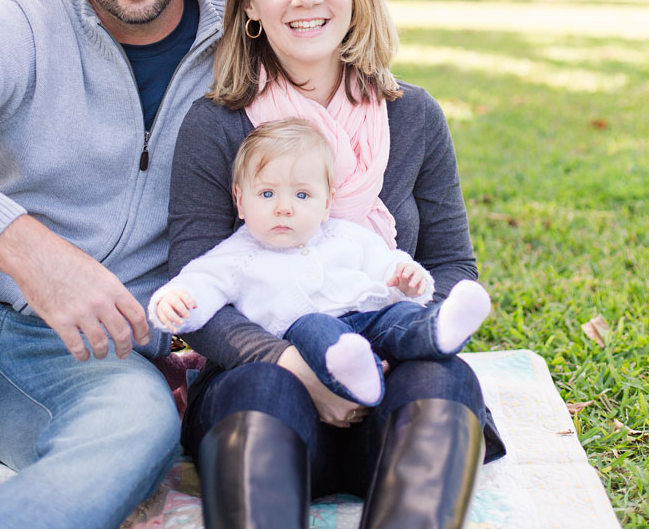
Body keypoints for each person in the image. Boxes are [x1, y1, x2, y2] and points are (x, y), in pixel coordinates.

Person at [167, 0, 506, 529]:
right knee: (255, 390)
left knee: (446, 377)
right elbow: (198, 293)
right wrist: (297, 365)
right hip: (271, 398)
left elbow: (449, 263)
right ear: (251, 7)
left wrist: (393, 343)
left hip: (386, 395)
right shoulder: (218, 124)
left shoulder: (414, 118)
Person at [0, 0, 226, 529]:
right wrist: (24, 247)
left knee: (136, 424)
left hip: (86, 356)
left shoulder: (244, 41)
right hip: (1, 306)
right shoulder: (21, 29)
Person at [150, 119, 492, 407]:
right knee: (315, 327)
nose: (284, 208)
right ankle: (356, 371)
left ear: (327, 203)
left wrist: (408, 279)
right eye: (267, 194)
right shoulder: (237, 255)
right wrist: (176, 300)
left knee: (401, 317)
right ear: (240, 200)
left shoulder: (344, 235)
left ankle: (439, 330)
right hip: (301, 335)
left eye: (302, 195)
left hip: (368, 317)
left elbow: (386, 263)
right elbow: (199, 282)